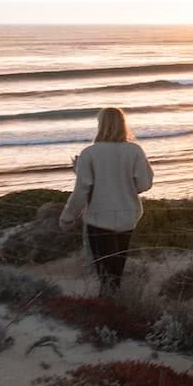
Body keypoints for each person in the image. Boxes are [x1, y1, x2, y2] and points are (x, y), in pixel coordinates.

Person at [59, 107, 154, 297]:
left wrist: (67, 217)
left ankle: (107, 312)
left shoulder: (89, 153)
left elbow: (81, 191)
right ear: (123, 124)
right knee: (116, 269)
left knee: (105, 274)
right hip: (128, 216)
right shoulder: (135, 150)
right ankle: (115, 309)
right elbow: (145, 183)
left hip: (99, 219)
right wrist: (122, 185)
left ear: (100, 125)